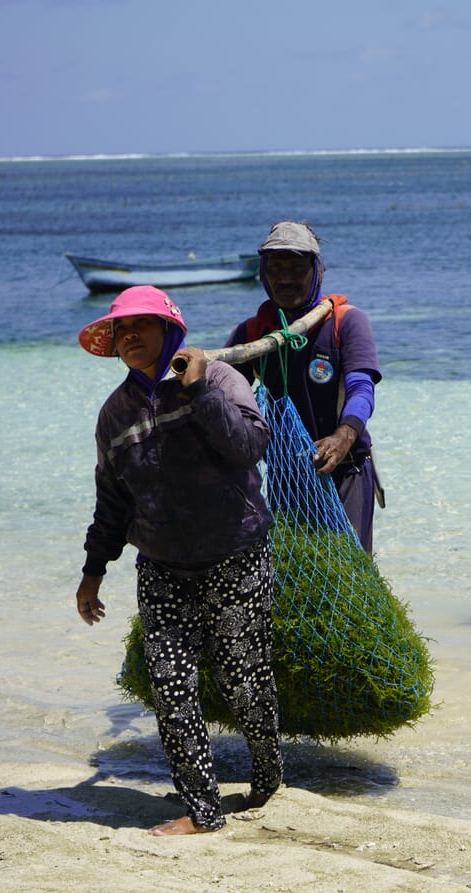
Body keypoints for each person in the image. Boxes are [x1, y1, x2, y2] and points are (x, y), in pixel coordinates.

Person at [73, 285, 282, 837]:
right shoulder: (114, 414)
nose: (129, 336)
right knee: (170, 685)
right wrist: (92, 574)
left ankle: (268, 772)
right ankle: (203, 810)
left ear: (171, 331)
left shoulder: (218, 379)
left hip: (235, 554)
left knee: (245, 682)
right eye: (120, 329)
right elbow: (113, 501)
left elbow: (248, 449)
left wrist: (196, 394)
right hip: (163, 567)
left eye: (141, 325)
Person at [224, 221, 384, 552]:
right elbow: (225, 401)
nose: (285, 279)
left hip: (345, 468)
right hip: (286, 477)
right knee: (290, 568)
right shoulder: (253, 333)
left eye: (297, 268)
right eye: (276, 268)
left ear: (316, 271)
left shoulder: (345, 322)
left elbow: (361, 389)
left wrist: (344, 435)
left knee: (348, 569)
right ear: (263, 273)